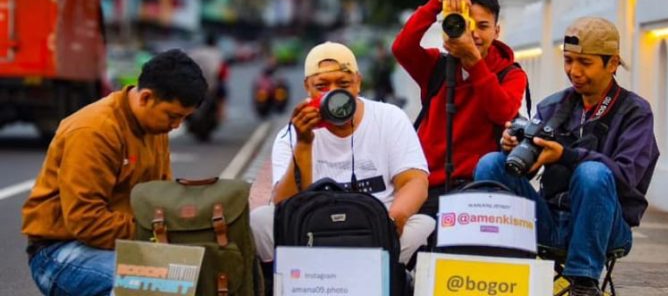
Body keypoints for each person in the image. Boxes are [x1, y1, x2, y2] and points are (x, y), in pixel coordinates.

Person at [475, 17, 659, 296]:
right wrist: (515, 149)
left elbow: (627, 177)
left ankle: (583, 283)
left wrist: (566, 156)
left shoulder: (635, 111)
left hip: (606, 227)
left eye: (585, 63)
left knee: (592, 172)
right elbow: (527, 170)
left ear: (612, 64)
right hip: (549, 220)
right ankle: (496, 267)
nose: (574, 71)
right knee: (491, 164)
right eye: (568, 60)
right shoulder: (554, 106)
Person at [22, 49, 208, 296]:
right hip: (58, 251)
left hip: (120, 245)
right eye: (173, 116)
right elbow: (86, 221)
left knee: (200, 277)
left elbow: (161, 198)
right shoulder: (94, 130)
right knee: (157, 286)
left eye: (183, 118)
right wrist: (155, 233)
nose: (176, 126)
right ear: (146, 98)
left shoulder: (156, 128)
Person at [250, 41, 434, 269]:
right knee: (260, 221)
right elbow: (285, 205)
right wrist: (304, 144)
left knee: (425, 225)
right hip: (313, 235)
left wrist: (391, 223)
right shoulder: (292, 134)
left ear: (358, 83)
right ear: (308, 88)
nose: (334, 93)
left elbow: (415, 181)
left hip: (378, 230)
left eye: (343, 84)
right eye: (322, 86)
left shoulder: (389, 117)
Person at [392, 0, 528, 217]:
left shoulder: (510, 74)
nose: (473, 33)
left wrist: (472, 60)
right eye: (467, 24)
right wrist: (435, 3)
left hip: (479, 186)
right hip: (429, 185)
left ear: (497, 31)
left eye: (483, 26)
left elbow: (502, 112)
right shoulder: (437, 67)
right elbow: (402, 48)